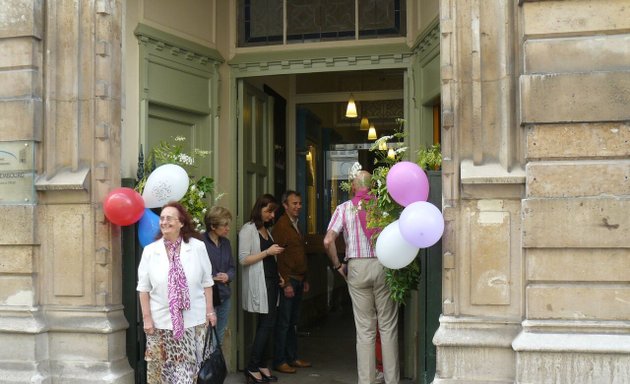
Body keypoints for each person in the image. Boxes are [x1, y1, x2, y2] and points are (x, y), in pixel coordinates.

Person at [323, 170, 400, 384]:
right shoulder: (382, 207)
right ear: (372, 187)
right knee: (387, 326)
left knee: (365, 329)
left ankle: (366, 380)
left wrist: (338, 265)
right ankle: (392, 380)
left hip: (356, 267)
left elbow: (328, 241)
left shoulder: (344, 208)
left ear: (353, 187)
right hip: (382, 265)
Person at [137, 201, 217, 383]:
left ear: (181, 223)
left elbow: (207, 282)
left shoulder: (197, 247)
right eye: (162, 218)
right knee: (161, 373)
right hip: (160, 323)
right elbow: (143, 289)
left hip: (193, 321)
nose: (164, 221)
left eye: (169, 218)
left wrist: (210, 311)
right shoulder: (150, 251)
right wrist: (147, 319)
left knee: (188, 373)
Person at [239, 194, 285, 383]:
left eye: (273, 212)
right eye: (268, 211)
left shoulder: (266, 230)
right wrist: (268, 252)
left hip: (272, 281)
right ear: (259, 209)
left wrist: (279, 275)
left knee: (268, 325)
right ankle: (252, 366)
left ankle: (261, 364)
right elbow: (244, 259)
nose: (271, 215)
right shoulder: (248, 230)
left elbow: (269, 260)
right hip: (261, 283)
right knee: (266, 325)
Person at [272, 190, 312, 374]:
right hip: (289, 281)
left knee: (293, 322)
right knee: (284, 322)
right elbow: (279, 257)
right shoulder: (281, 226)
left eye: (300, 203)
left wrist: (305, 278)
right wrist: (286, 283)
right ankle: (280, 360)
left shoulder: (296, 224)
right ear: (285, 206)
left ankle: (292, 357)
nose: (298, 207)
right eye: (294, 203)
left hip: (299, 278)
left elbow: (299, 253)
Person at [202, 206, 236, 345]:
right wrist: (212, 277)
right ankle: (207, 366)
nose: (228, 228)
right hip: (207, 296)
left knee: (219, 335)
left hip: (224, 294)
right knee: (207, 335)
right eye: (225, 225)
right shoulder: (200, 242)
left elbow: (232, 267)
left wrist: (228, 276)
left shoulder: (226, 243)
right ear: (213, 226)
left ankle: (215, 366)